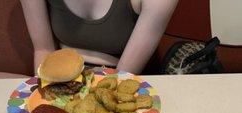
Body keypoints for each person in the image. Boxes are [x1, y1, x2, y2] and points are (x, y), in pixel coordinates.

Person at [20, 0, 178, 75]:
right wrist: (43, 96)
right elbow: (43, 50)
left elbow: (122, 77)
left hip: (116, 80)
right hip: (58, 77)